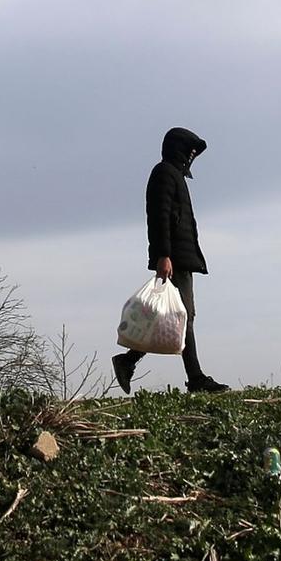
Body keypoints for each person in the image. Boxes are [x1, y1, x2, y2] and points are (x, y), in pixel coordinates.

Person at [113, 128, 229, 395]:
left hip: (181, 257)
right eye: (189, 152)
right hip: (173, 257)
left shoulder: (174, 176)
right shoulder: (164, 173)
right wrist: (163, 255)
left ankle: (128, 360)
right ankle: (196, 378)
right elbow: (159, 216)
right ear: (178, 150)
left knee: (177, 315)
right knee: (182, 316)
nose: (192, 157)